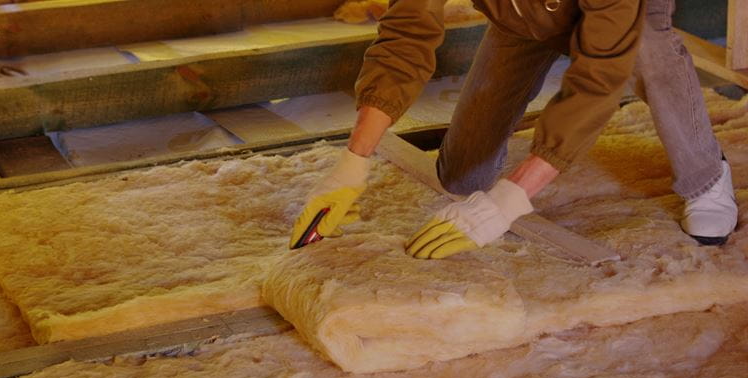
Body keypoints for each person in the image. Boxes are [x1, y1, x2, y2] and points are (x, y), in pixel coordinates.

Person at [290, 0, 739, 258]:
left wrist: (510, 200)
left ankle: (706, 177)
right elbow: (406, 37)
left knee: (646, 50)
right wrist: (351, 163)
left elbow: (600, 75)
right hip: (523, 15)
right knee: (463, 176)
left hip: (625, 20)